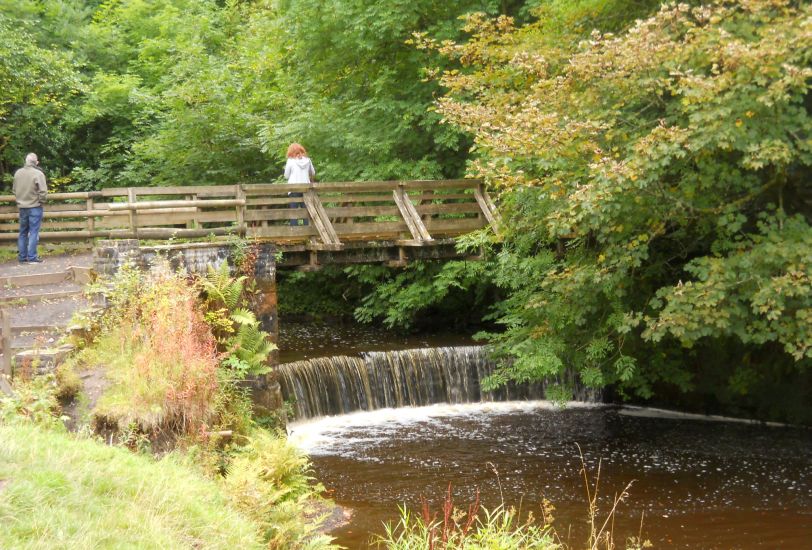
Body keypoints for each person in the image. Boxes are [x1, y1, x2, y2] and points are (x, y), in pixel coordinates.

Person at [12, 153, 47, 264]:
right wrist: (40, 201)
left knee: (22, 232)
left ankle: (22, 258)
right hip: (35, 207)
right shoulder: (38, 173)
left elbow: (14, 190)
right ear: (36, 162)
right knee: (33, 232)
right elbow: (43, 192)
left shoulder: (18, 173)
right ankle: (32, 257)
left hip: (22, 207)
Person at [284, 143, 315, 226]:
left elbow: (286, 176)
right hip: (306, 188)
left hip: (293, 188)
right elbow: (313, 172)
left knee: (294, 210)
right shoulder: (308, 160)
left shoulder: (290, 161)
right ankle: (307, 230)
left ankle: (294, 230)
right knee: (306, 210)